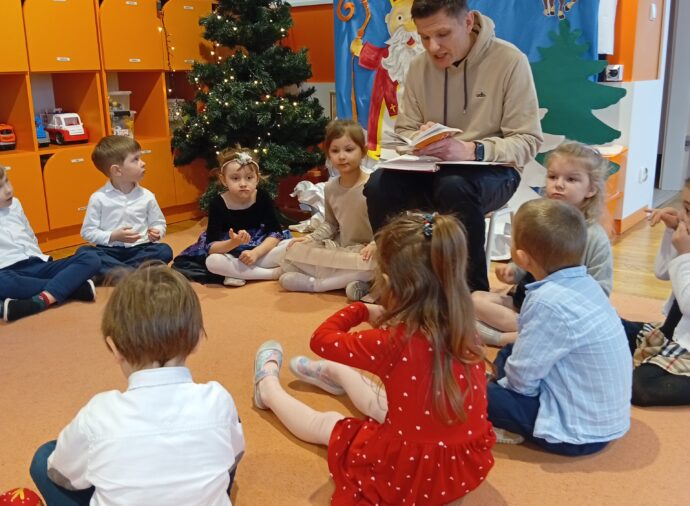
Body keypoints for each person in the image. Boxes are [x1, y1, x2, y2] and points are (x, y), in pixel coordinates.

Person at [254, 212, 495, 505]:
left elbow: (321, 339)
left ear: (387, 282)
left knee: (329, 423)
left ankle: (267, 389)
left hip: (408, 475)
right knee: (386, 401)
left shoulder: (390, 344)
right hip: (463, 471)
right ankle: (334, 373)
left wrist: (360, 310)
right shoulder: (466, 329)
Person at [364, 0, 543, 292]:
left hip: (495, 171)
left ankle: (471, 294)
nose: (433, 47)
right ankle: (399, 285)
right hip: (431, 169)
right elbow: (405, 130)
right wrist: (420, 140)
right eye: (424, 37)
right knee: (378, 185)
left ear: (468, 22)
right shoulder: (419, 67)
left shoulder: (510, 61)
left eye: (443, 34)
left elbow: (527, 140)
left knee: (454, 186)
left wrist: (473, 150)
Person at [29, 266, 245, 505]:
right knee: (229, 426)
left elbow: (63, 476)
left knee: (44, 458)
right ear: (197, 340)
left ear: (114, 348)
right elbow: (234, 456)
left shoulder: (97, 415)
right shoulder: (218, 399)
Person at [487, 199, 631, 455]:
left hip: (576, 434)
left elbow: (522, 381)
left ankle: (506, 420)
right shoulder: (585, 283)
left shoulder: (546, 301)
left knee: (472, 392)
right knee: (509, 353)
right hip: (602, 419)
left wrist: (500, 388)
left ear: (522, 258)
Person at [473, 140, 613, 346]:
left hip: (563, 314)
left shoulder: (594, 236)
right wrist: (513, 271)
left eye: (571, 179)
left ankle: (504, 338)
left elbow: (602, 290)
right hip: (525, 303)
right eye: (553, 176)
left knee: (469, 325)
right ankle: (535, 334)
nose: (559, 184)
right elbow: (527, 260)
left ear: (591, 189)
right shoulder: (540, 222)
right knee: (474, 300)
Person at [280, 120, 376, 296]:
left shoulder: (374, 184)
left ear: (363, 151)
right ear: (328, 154)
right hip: (345, 250)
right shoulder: (330, 187)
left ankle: (318, 285)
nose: (342, 156)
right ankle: (351, 282)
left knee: (374, 264)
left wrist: (374, 244)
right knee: (292, 252)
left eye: (349, 150)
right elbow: (331, 224)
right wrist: (310, 238)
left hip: (370, 252)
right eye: (335, 151)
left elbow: (388, 225)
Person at [173, 148, 290, 286]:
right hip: (229, 251)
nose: (243, 183)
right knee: (213, 261)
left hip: (260, 247)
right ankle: (271, 274)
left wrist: (255, 253)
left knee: (290, 246)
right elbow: (212, 247)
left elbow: (275, 233)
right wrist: (234, 242)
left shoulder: (263, 197)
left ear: (257, 178)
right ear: (223, 180)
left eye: (249, 178)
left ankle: (237, 272)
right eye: (235, 178)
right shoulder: (217, 203)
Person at [0, 165, 100, 323]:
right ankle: (74, 288)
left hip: (38, 263)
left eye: (7, 181)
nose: (8, 190)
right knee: (2, 283)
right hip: (8, 272)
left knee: (90, 257)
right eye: (0, 187)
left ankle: (41, 300)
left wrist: (41, 258)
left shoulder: (15, 204)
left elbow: (29, 235)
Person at [629, 179, 690, 406]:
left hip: (686, 346)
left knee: (639, 386)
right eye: (685, 208)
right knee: (612, 327)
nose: (684, 217)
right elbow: (662, 272)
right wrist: (670, 231)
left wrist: (685, 254)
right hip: (672, 332)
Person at [78, 136, 173, 280]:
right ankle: (133, 274)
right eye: (135, 159)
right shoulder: (98, 198)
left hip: (141, 249)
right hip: (109, 250)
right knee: (84, 252)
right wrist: (112, 236)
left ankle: (119, 274)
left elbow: (158, 222)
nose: (143, 163)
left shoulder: (147, 196)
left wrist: (157, 232)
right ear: (117, 170)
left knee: (164, 250)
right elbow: (88, 232)